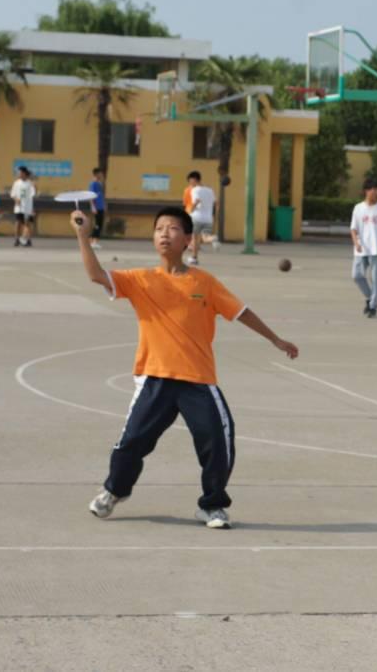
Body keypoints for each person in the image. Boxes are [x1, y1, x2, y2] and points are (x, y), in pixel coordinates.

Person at [69, 205, 299, 529]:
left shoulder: (204, 282)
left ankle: (212, 505)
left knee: (218, 441)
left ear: (188, 239)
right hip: (155, 379)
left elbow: (241, 311)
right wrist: (83, 235)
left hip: (197, 380)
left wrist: (275, 339)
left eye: (173, 228)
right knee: (131, 443)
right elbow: (96, 275)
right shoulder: (140, 280)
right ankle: (114, 491)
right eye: (159, 228)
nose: (164, 233)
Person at [350, 178, 377, 318]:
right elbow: (353, 229)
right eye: (373, 189)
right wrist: (356, 243)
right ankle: (370, 297)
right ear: (366, 191)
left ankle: (373, 307)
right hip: (361, 249)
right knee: (356, 275)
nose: (376, 192)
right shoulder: (358, 208)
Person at [186, 171, 217, 266]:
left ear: (194, 179)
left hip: (197, 217)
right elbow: (216, 202)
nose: (190, 184)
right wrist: (213, 215)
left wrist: (191, 210)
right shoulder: (210, 190)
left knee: (195, 239)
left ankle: (194, 258)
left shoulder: (195, 190)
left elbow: (197, 200)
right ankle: (213, 239)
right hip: (208, 218)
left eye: (190, 181)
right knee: (204, 237)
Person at [10, 166, 36, 247]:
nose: (19, 174)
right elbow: (12, 194)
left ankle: (27, 239)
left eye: (20, 172)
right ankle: (17, 239)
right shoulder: (16, 183)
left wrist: (34, 186)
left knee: (27, 224)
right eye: (18, 172)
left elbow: (33, 194)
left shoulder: (30, 183)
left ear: (24, 173)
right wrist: (16, 199)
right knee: (18, 223)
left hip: (28, 207)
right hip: (19, 208)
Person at [88, 167, 107, 250]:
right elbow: (91, 196)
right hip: (96, 207)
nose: (101, 175)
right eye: (100, 173)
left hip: (101, 206)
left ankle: (94, 241)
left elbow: (101, 196)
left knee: (100, 224)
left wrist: (104, 205)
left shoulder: (99, 184)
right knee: (97, 225)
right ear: (96, 174)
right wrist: (93, 206)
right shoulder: (93, 184)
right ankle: (93, 242)